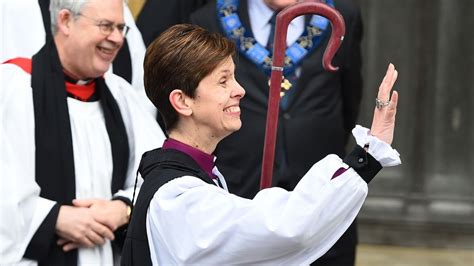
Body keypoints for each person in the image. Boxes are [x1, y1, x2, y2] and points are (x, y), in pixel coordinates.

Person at [121, 23, 400, 265]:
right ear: (182, 101)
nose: (239, 90)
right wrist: (367, 154)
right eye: (223, 81)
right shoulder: (179, 199)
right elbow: (289, 226)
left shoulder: (194, 178)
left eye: (234, 76)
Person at [190, 0, 363, 264]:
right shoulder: (209, 19)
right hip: (241, 193)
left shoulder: (341, 17)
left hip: (320, 199)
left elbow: (350, 100)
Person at [0, 0, 165, 264]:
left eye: (121, 28)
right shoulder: (14, 87)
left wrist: (123, 208)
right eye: (105, 26)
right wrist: (53, 217)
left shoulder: (120, 95)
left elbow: (158, 173)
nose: (116, 39)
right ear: (65, 21)